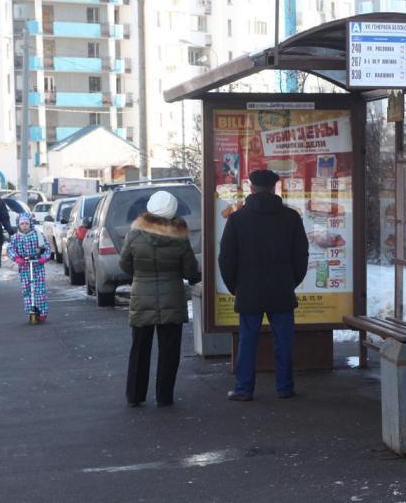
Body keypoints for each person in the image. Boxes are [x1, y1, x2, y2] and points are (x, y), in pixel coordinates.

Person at [219, 169, 309, 401]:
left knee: (247, 341)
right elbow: (301, 255)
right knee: (284, 341)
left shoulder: (238, 219)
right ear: (273, 189)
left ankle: (243, 388)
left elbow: (226, 258)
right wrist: (291, 281)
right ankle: (285, 387)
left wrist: (235, 286)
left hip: (249, 290)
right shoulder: (290, 218)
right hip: (281, 289)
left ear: (251, 188)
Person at [119, 190, 200, 408]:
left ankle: (135, 396)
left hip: (141, 298)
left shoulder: (134, 234)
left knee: (140, 347)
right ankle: (164, 396)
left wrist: (141, 273)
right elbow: (189, 268)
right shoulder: (179, 236)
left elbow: (125, 264)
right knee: (169, 349)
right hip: (171, 297)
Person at [7, 213, 51, 323]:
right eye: (22, 224)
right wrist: (17, 258)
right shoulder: (15, 237)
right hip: (24, 266)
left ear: (30, 223)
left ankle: (42, 312)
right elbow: (10, 249)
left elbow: (47, 248)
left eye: (26, 223)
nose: (25, 226)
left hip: (37, 265)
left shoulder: (38, 235)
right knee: (27, 290)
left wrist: (44, 258)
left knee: (39, 290)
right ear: (18, 224)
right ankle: (30, 310)